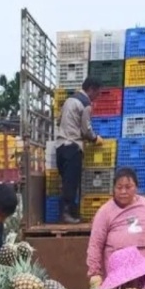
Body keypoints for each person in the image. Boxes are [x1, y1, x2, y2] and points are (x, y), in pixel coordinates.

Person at [87, 167, 145, 289]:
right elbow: (95, 244)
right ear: (114, 189)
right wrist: (94, 272)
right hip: (120, 276)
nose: (123, 191)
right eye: (119, 187)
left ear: (136, 187)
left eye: (128, 187)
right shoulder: (105, 212)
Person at [56, 77, 103, 224]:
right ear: (91, 89)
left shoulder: (69, 101)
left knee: (65, 182)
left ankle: (72, 214)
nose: (98, 97)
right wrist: (95, 139)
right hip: (73, 147)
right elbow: (86, 129)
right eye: (97, 93)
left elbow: (59, 121)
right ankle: (66, 216)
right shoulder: (85, 103)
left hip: (60, 147)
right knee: (71, 183)